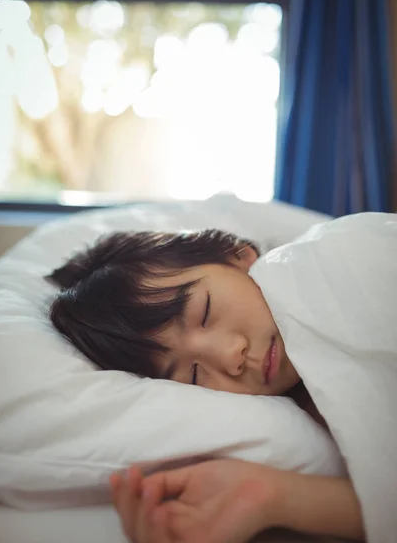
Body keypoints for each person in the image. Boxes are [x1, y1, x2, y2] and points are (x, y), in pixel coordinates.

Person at [46, 229, 365, 543]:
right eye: (194, 375)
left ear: (238, 255)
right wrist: (269, 496)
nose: (230, 357)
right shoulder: (322, 411)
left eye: (205, 311)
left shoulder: (345, 260)